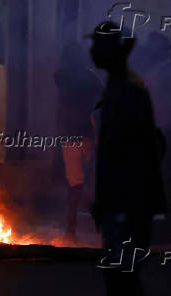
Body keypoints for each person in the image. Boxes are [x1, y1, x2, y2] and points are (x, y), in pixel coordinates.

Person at [88, 22, 167, 296]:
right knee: (118, 277)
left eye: (97, 45)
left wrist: (130, 205)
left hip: (127, 203)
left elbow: (140, 150)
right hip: (119, 202)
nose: (93, 51)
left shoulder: (129, 90)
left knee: (122, 278)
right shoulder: (116, 86)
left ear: (113, 51)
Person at [54, 41, 103, 243]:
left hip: (72, 133)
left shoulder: (62, 75)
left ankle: (71, 229)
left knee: (75, 184)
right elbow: (101, 94)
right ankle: (94, 229)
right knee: (87, 181)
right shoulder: (90, 77)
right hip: (87, 133)